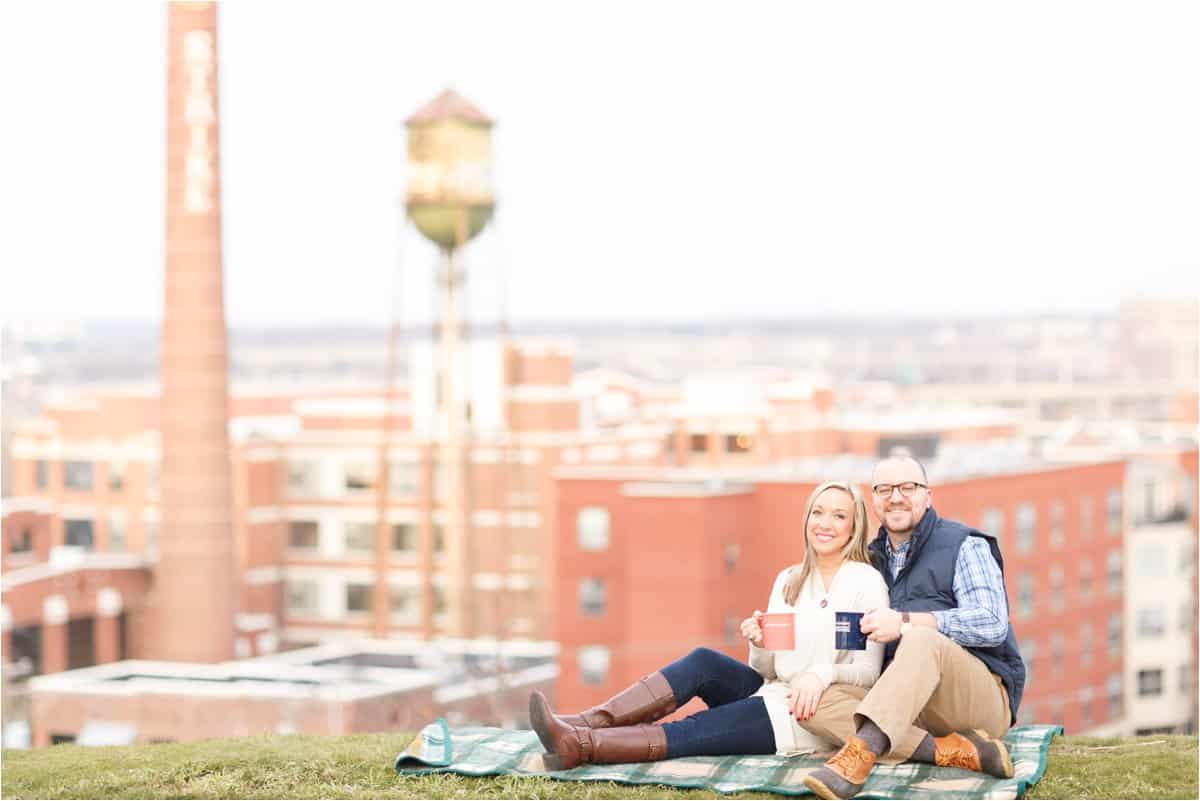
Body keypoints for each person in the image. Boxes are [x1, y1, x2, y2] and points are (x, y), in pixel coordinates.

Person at [529, 480, 889, 770]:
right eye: (818, 513)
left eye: (838, 516)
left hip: (808, 715)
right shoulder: (790, 580)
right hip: (774, 691)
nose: (825, 524)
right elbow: (768, 670)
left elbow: (867, 672)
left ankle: (579, 746)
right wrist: (759, 644)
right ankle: (586, 723)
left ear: (854, 526)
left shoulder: (863, 583)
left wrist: (821, 674)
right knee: (703, 661)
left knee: (692, 730)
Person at [801, 454, 1026, 800]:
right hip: (906, 703)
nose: (895, 497)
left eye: (908, 487)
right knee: (811, 702)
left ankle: (858, 758)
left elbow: (993, 623)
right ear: (873, 500)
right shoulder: (868, 562)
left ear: (927, 495)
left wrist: (905, 622)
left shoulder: (964, 545)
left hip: (976, 697)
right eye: (885, 489)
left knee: (920, 638)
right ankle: (953, 751)